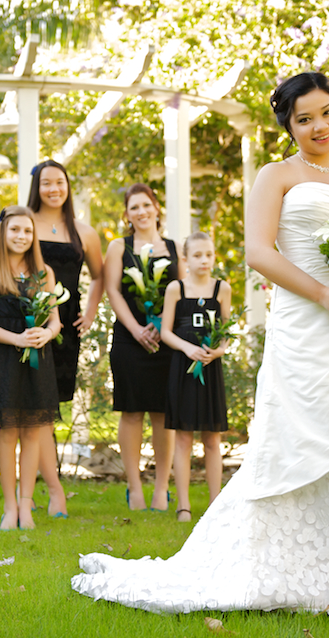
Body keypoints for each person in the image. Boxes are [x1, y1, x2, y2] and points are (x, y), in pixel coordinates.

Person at [72, 72, 329, 624]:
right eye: (304, 119)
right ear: (289, 125)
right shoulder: (276, 176)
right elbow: (259, 252)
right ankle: (286, 563)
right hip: (305, 326)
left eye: (327, 112)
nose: (319, 126)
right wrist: (325, 293)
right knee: (299, 444)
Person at [26, 159, 105, 518]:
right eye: (47, 183)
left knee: (49, 409)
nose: (54, 189)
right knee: (33, 410)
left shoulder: (84, 232)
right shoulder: (23, 223)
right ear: (36, 187)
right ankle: (51, 490)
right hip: (28, 322)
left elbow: (99, 276)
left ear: (68, 186)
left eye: (60, 182)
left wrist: (88, 312)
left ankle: (45, 489)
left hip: (65, 330)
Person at [0, 206, 63, 531]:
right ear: (3, 233)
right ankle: (9, 508)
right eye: (15, 230)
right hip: (6, 360)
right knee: (9, 432)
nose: (21, 236)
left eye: (27, 231)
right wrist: (17, 339)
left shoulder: (44, 273)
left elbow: (55, 321)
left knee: (33, 434)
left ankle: (26, 507)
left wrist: (46, 334)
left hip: (40, 360)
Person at [104, 183, 181, 511]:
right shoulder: (119, 247)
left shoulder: (175, 248)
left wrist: (163, 322)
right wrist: (136, 329)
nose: (141, 212)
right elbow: (113, 291)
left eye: (146, 205)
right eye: (134, 207)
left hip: (166, 339)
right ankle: (134, 488)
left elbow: (182, 290)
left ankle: (162, 488)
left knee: (164, 414)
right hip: (130, 339)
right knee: (132, 412)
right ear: (127, 215)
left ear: (156, 208)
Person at [159, 231, 231, 524]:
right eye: (197, 255)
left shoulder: (222, 289)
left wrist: (218, 351)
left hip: (210, 370)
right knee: (184, 439)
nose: (204, 260)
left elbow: (226, 331)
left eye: (209, 255)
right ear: (185, 259)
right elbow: (165, 332)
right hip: (183, 370)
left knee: (212, 440)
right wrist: (188, 349)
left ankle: (217, 505)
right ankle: (184, 506)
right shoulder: (176, 289)